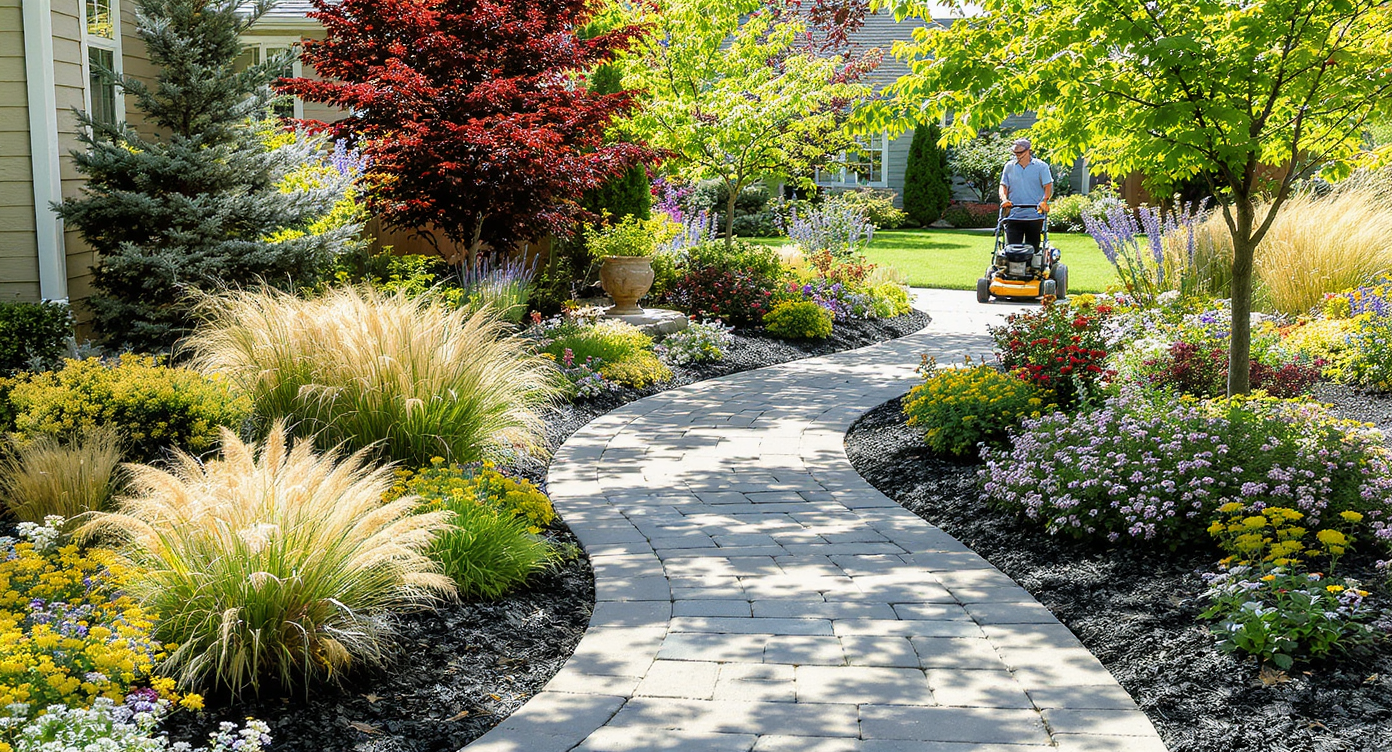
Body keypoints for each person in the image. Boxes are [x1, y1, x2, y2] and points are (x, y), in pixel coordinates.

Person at [998, 138, 1053, 253]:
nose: (1017, 155)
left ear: (1028, 151)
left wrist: (1044, 200)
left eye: (1020, 152)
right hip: (1014, 214)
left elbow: (1048, 186)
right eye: (1015, 153)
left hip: (1034, 215)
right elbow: (1003, 186)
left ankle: (1031, 269)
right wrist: (1004, 199)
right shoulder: (1009, 166)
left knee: (1032, 249)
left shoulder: (1041, 166)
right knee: (1011, 250)